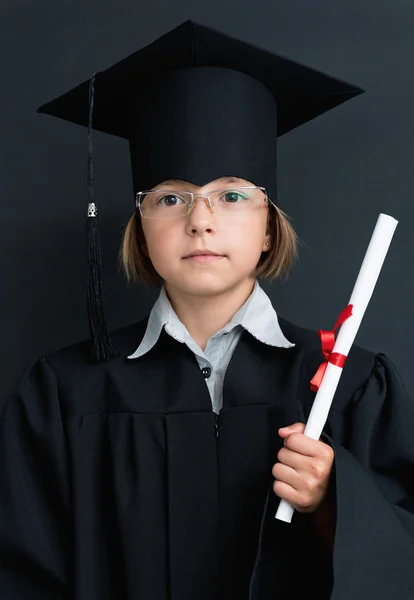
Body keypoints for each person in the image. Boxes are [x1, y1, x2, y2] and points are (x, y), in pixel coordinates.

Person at [1, 19, 413, 600]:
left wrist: (334, 501)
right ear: (141, 228)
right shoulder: (62, 394)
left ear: (269, 227)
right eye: (170, 197)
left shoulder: (351, 388)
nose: (200, 219)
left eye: (233, 195)